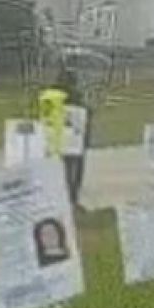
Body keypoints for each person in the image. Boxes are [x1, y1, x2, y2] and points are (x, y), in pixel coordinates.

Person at [47, 69, 90, 209]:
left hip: (61, 139)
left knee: (63, 168)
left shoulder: (52, 96)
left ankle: (66, 198)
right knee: (73, 168)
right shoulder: (77, 96)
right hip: (72, 140)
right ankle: (71, 199)